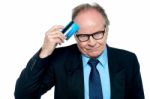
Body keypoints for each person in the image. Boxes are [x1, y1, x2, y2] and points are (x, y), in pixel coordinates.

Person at [14, 2, 145, 99]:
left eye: (98, 33)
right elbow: (23, 95)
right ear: (74, 36)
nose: (92, 42)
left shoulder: (128, 60)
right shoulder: (60, 60)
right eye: (83, 36)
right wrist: (45, 52)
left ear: (107, 30)